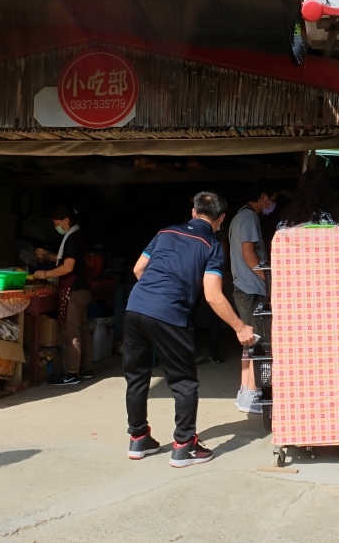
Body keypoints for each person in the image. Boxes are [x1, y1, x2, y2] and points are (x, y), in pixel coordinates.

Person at [124, 191, 254, 468]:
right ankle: (184, 445)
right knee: (184, 383)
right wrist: (240, 327)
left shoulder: (165, 232)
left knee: (136, 377)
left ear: (193, 212)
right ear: (222, 219)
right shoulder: (212, 246)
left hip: (135, 307)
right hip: (169, 314)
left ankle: (138, 439)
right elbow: (213, 295)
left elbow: (138, 269)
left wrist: (154, 291)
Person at [228, 181, 277, 414]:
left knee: (249, 341)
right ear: (264, 196)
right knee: (258, 342)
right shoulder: (249, 218)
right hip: (251, 287)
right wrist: (268, 278)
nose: (272, 205)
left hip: (242, 287)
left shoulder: (239, 217)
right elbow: (249, 253)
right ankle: (254, 395)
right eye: (272, 199)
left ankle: (245, 393)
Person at [34, 206, 93, 386]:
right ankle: (86, 369)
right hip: (84, 290)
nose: (55, 227)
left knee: (71, 333)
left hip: (74, 291)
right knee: (82, 330)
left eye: (56, 223)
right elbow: (67, 259)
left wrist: (45, 274)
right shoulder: (78, 237)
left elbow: (68, 267)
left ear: (66, 221)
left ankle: (72, 374)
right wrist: (48, 256)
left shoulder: (72, 240)